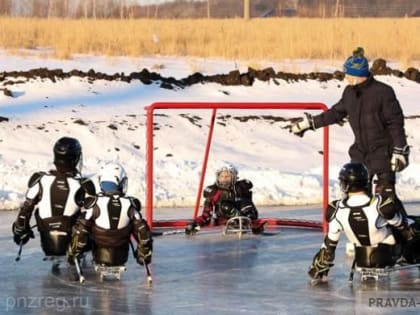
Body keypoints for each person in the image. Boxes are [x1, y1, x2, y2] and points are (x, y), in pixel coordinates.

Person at [288, 47, 410, 201]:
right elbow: (336, 112)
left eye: (348, 74)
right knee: (356, 199)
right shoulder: (349, 92)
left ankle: (402, 225)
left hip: (383, 154)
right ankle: (358, 224)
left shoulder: (383, 92)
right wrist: (311, 123)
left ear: (358, 74)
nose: (346, 77)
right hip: (360, 153)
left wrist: (400, 150)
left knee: (386, 201)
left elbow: (396, 123)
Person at [308, 162, 420, 281]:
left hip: (361, 257)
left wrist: (318, 267)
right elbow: (402, 225)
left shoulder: (336, 209)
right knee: (414, 224)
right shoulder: (380, 203)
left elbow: (329, 246)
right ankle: (412, 256)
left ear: (345, 184)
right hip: (387, 255)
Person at [12, 137, 93, 269]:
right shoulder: (83, 184)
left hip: (47, 243)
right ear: (75, 159)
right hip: (72, 241)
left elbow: (25, 210)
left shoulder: (40, 179)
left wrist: (21, 230)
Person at [67, 161, 153, 271]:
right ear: (119, 182)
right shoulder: (129, 204)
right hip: (121, 256)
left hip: (99, 253)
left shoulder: (95, 203)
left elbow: (81, 230)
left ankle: (76, 253)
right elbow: (143, 231)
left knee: (83, 223)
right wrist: (144, 255)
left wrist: (73, 253)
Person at [185, 164, 264, 235]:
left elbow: (249, 204)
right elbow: (206, 215)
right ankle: (236, 222)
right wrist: (195, 223)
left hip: (245, 216)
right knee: (225, 205)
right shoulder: (214, 191)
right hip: (224, 219)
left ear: (234, 177)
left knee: (245, 202)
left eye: (227, 176)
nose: (224, 179)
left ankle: (251, 223)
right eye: (222, 176)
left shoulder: (240, 187)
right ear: (218, 177)